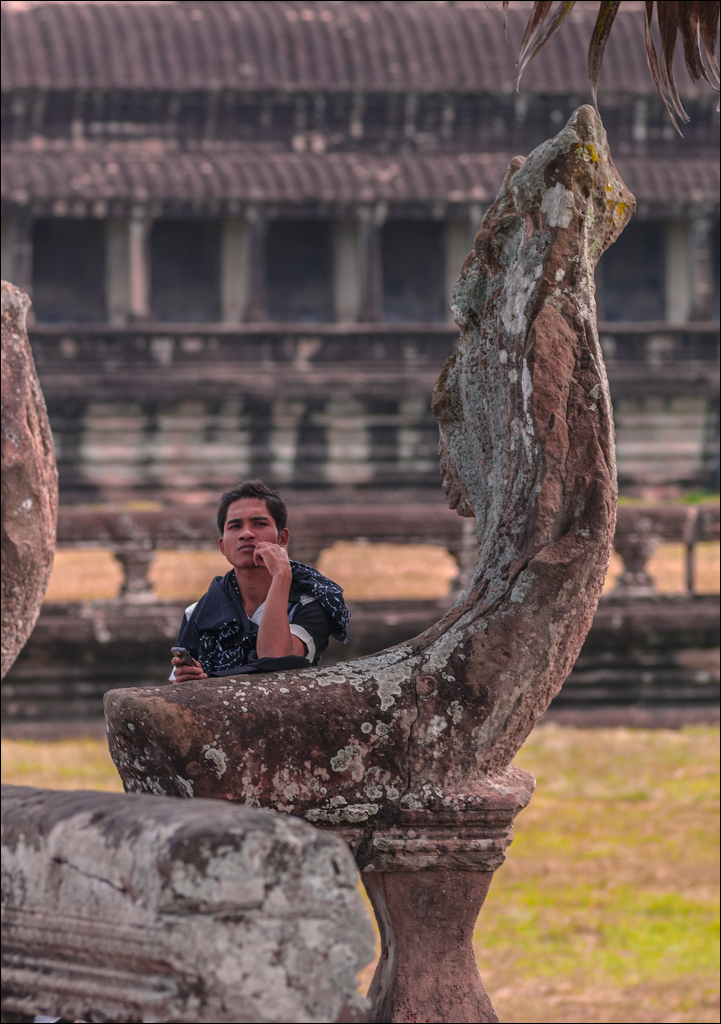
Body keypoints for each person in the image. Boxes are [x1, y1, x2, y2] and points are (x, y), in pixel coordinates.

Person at [171, 480, 349, 683]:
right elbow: (182, 687)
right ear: (222, 546)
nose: (246, 534)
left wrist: (282, 575)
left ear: (282, 538)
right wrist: (187, 680)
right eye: (235, 526)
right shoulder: (198, 612)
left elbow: (275, 659)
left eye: (259, 524)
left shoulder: (310, 604)